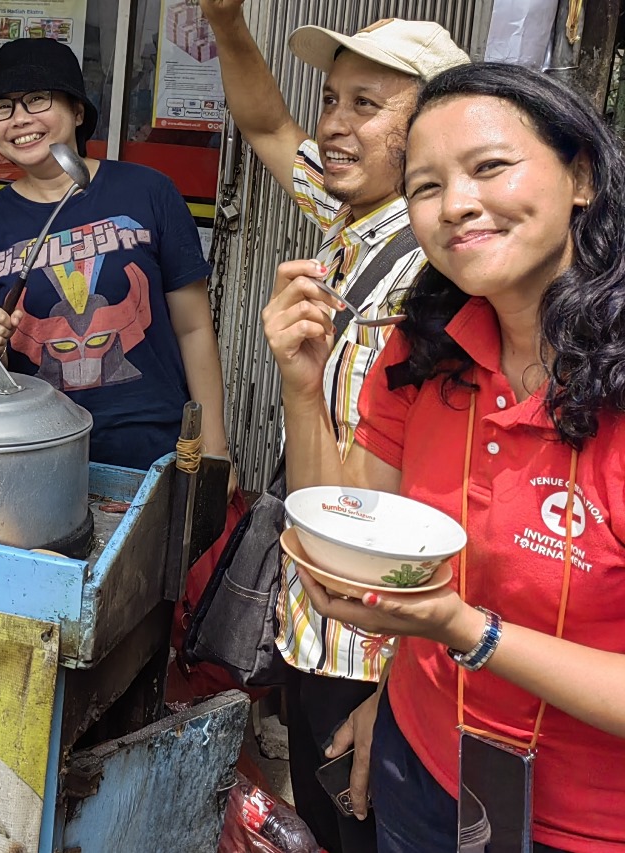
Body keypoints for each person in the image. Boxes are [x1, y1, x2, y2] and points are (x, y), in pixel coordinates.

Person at [265, 61, 625, 852]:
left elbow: (456, 617)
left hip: (584, 829)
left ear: (583, 176)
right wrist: (303, 382)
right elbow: (350, 531)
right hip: (421, 767)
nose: (457, 204)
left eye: (490, 167)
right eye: (425, 187)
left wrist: (468, 630)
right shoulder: (427, 348)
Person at [200, 5, 468, 847]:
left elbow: (446, 492)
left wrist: (396, 690)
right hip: (321, 623)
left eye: (366, 104)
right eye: (334, 99)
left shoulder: (445, 266)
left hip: (379, 648)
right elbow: (265, 121)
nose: (335, 125)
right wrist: (223, 20)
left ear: (433, 130)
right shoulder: (358, 221)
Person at [0, 37, 230, 473]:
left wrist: (212, 449)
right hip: (34, 451)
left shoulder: (148, 191)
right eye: (3, 108)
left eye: (36, 100)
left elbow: (194, 328)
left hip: (152, 445)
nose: (19, 119)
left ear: (78, 111)